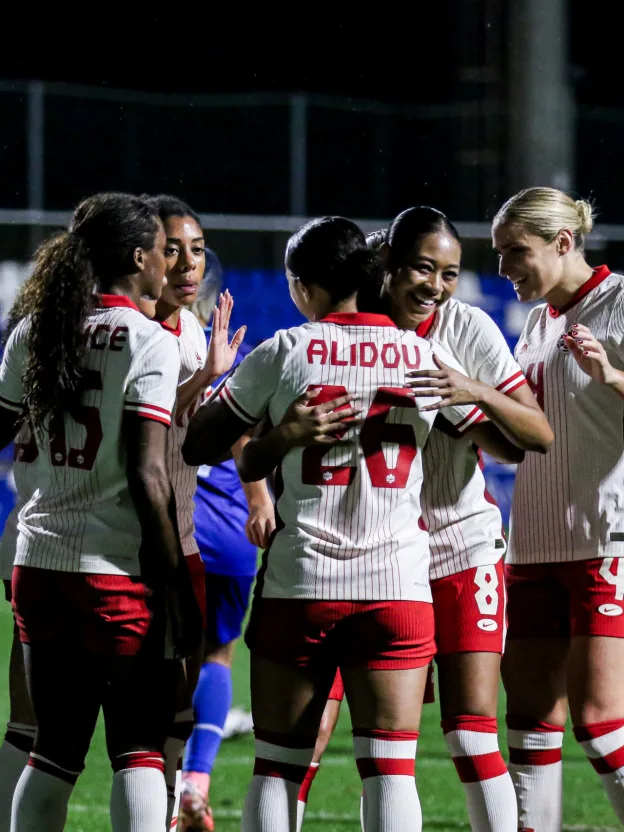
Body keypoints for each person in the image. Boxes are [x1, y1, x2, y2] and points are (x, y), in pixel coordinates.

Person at [181, 216, 526, 832]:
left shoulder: (286, 349)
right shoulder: (421, 357)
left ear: (303, 286)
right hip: (397, 586)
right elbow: (509, 442)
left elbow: (202, 444)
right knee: (391, 769)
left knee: (280, 765)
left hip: (302, 584)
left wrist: (280, 430)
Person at [0, 192, 201, 832]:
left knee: (52, 752)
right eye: (160, 252)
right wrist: (174, 583)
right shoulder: (148, 340)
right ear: (140, 257)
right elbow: (148, 474)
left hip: (37, 563)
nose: (169, 265)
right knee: (138, 751)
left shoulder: (35, 329)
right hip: (113, 571)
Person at [492, 187, 624, 831]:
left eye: (515, 252)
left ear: (563, 244)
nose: (503, 268)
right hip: (534, 546)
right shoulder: (539, 320)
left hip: (606, 541)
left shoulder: (620, 301)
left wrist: (615, 379)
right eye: (497, 254)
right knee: (530, 722)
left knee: (600, 726)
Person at [140, 194, 248, 830]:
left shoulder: (187, 329)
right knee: (207, 660)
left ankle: (176, 794)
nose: (188, 264)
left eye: (198, 250)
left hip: (178, 530)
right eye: (172, 249)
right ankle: (192, 785)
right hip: (188, 529)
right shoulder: (153, 330)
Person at [178, 253, 275, 831]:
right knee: (217, 654)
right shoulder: (224, 354)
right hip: (235, 532)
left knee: (167, 661)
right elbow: (244, 431)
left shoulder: (166, 344)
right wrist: (261, 500)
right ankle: (197, 778)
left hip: (181, 527)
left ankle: (160, 788)